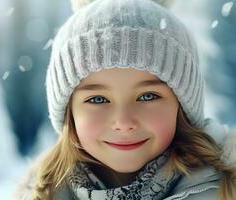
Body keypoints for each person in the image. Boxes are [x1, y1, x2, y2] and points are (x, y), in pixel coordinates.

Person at [15, 0, 236, 199]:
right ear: (68, 112)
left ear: (183, 106)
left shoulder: (226, 190)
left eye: (147, 96)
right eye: (98, 99)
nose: (123, 122)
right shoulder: (42, 193)